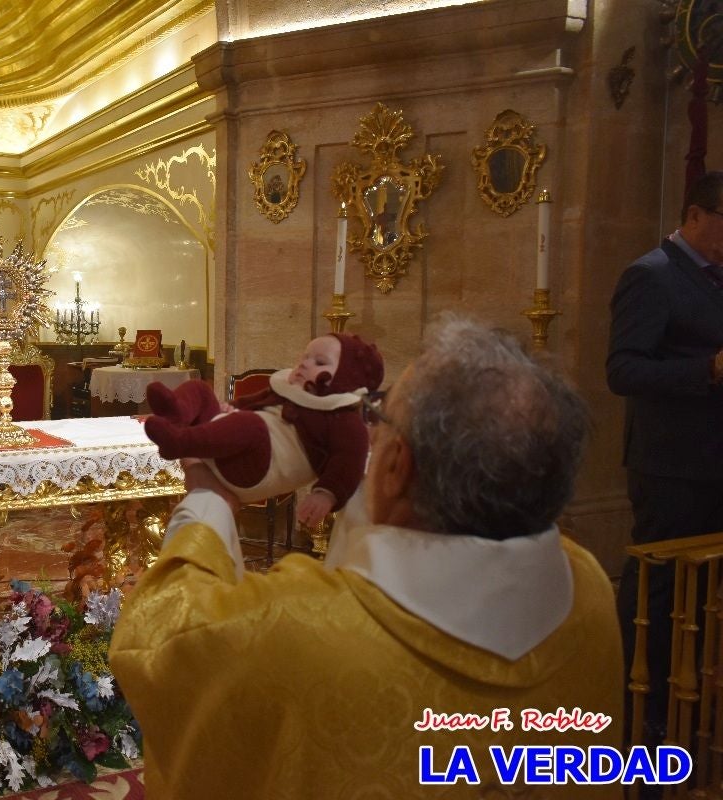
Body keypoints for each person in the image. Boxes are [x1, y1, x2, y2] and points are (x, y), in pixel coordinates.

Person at [111, 315, 622, 799]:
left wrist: (207, 499)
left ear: (397, 464)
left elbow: (159, 638)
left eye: (379, 417)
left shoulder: (287, 626)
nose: (370, 430)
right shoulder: (591, 588)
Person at [607, 169, 723, 743]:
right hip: (670, 466)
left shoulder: (716, 278)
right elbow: (623, 370)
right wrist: (706, 370)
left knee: (703, 593)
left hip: (713, 462)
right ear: (695, 215)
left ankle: (692, 701)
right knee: (658, 589)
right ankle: (642, 709)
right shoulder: (650, 275)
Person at [143, 333, 383, 528]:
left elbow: (350, 460)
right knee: (200, 390)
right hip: (230, 446)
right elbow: (252, 402)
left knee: (251, 425)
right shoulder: (287, 389)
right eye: (305, 357)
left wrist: (326, 494)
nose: (305, 364)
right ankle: (175, 414)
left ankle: (178, 440)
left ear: (347, 379)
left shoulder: (342, 417)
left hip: (253, 470)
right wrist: (231, 407)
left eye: (319, 363)